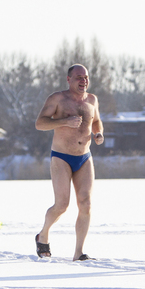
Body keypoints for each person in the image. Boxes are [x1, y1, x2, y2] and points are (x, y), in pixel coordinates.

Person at [35, 64, 104, 261]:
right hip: (61, 157)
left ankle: (78, 252)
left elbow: (97, 121)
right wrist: (63, 122)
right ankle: (43, 235)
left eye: (86, 77)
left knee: (86, 204)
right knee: (62, 205)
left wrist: (99, 133)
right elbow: (40, 123)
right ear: (68, 79)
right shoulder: (57, 98)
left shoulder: (92, 100)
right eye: (78, 77)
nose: (83, 81)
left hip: (84, 156)